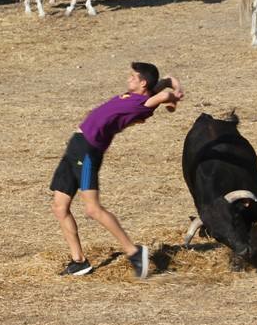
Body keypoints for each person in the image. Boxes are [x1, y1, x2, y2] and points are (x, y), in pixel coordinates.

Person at [51, 63, 184, 278]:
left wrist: (174, 99)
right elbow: (164, 83)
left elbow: (163, 96)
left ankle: (134, 252)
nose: (128, 78)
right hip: (75, 146)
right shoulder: (137, 95)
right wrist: (171, 82)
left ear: (142, 83)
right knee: (59, 207)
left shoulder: (144, 103)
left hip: (87, 152)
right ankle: (79, 262)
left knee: (92, 210)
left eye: (133, 77)